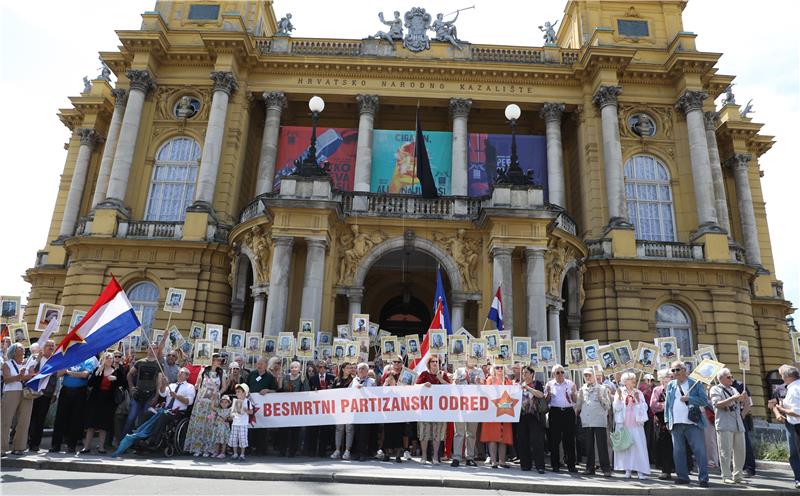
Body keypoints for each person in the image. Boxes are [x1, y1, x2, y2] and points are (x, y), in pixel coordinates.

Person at [665, 360, 710, 487]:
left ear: (684, 370)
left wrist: (689, 399)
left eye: (677, 369)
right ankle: (682, 477)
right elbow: (668, 404)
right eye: (673, 370)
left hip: (692, 423)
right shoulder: (671, 385)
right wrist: (668, 420)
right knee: (678, 452)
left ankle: (703, 478)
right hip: (676, 423)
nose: (675, 372)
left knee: (699, 451)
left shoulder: (695, 383)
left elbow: (704, 401)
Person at [710, 368, 749, 484]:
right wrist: (734, 398)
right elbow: (717, 404)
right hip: (724, 423)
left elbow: (743, 403)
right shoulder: (715, 389)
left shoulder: (734, 389)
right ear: (721, 379)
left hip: (737, 423)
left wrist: (744, 399)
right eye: (728, 377)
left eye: (731, 377)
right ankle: (726, 475)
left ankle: (738, 475)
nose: (731, 379)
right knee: (725, 451)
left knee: (740, 451)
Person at [51, 355, 96, 453]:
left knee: (76, 420)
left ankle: (71, 446)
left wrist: (68, 372)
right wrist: (70, 370)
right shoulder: (69, 358)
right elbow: (58, 373)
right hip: (66, 391)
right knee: (60, 419)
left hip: (80, 392)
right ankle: (55, 445)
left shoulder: (88, 360)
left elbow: (85, 375)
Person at [81, 352, 125, 454]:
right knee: (91, 424)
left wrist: (116, 379)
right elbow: (90, 383)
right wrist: (98, 372)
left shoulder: (116, 371)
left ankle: (101, 447)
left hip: (108, 401)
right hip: (95, 400)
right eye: (107, 358)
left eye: (111, 358)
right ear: (103, 359)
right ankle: (86, 447)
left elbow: (123, 383)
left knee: (103, 425)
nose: (110, 360)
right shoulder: (98, 370)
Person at [184, 354, 225, 457]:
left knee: (211, 425)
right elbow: (198, 384)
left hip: (213, 401)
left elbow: (224, 387)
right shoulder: (203, 370)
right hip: (202, 400)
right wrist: (198, 386)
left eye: (220, 360)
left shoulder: (222, 373)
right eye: (217, 360)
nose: (219, 362)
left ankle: (208, 449)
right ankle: (197, 448)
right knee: (200, 424)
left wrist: (218, 393)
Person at [612, 371, 650, 479]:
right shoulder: (620, 392)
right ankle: (627, 470)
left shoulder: (638, 392)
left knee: (638, 447)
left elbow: (645, 408)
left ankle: (640, 471)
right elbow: (616, 408)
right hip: (624, 424)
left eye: (633, 378)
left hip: (636, 424)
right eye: (630, 379)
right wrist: (619, 398)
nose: (633, 380)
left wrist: (638, 400)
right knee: (626, 447)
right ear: (625, 381)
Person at [147, 367, 195, 448]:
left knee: (163, 415)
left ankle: (152, 440)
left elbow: (189, 402)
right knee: (148, 413)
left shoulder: (190, 387)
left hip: (178, 412)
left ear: (187, 376)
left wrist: (177, 396)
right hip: (166, 410)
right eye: (179, 372)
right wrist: (164, 384)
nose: (179, 373)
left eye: (182, 372)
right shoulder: (171, 385)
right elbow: (162, 393)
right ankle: (142, 436)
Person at [123, 342, 166, 436]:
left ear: (157, 350)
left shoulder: (159, 364)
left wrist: (156, 397)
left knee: (144, 419)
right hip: (137, 394)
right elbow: (129, 375)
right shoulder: (140, 362)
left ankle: (139, 443)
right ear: (147, 349)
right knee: (131, 418)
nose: (152, 350)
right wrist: (131, 387)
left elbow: (159, 382)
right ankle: (124, 442)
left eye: (154, 348)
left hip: (150, 395)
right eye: (150, 348)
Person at [576, 368, 612, 477]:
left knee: (602, 445)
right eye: (585, 375)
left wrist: (601, 398)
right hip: (587, 420)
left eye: (589, 375)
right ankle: (589, 468)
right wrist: (577, 412)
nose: (587, 377)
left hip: (599, 420)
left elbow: (608, 405)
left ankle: (606, 468)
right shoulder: (582, 389)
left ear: (594, 376)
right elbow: (579, 404)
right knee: (589, 445)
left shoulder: (602, 388)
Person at [2, 343, 35, 455]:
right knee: (5, 420)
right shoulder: (7, 364)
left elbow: (31, 375)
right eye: (20, 348)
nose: (23, 349)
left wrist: (25, 375)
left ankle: (19, 447)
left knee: (24, 420)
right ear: (13, 351)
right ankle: (2, 447)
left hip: (26, 393)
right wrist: (19, 376)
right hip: (11, 392)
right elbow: (6, 379)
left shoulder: (28, 363)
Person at [416, 357, 450, 464]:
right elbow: (415, 386)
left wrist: (440, 378)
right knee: (424, 432)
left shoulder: (443, 374)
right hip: (425, 409)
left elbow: (450, 387)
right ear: (429, 363)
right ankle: (424, 456)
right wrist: (423, 385)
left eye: (437, 361)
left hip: (439, 409)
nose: (435, 363)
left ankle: (435, 456)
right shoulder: (424, 374)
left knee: (437, 432)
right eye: (433, 361)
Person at [545, 364, 578, 472]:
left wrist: (573, 392)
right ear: (553, 374)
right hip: (555, 412)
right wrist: (548, 393)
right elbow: (546, 401)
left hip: (568, 412)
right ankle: (555, 465)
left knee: (569, 440)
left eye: (562, 372)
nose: (560, 375)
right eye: (557, 372)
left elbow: (575, 400)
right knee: (554, 440)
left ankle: (571, 465)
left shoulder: (570, 383)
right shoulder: (549, 384)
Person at [772, 365, 800, 488]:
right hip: (790, 423)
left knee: (795, 452)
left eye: (782, 375)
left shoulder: (794, 389)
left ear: (788, 376)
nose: (781, 377)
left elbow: (796, 412)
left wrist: (781, 408)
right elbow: (772, 403)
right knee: (793, 452)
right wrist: (778, 412)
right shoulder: (782, 388)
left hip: (796, 424)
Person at [248, 357, 283, 455]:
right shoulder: (252, 374)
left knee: (262, 429)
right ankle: (249, 448)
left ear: (266, 366)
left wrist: (267, 390)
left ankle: (261, 449)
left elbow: (276, 390)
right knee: (250, 427)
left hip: (263, 408)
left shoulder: (270, 377)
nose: (259, 366)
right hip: (252, 406)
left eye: (261, 364)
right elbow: (246, 387)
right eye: (258, 364)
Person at [481, 364, 513, 469]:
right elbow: (487, 393)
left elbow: (512, 394)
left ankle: (502, 461)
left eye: (501, 367)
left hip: (505, 410)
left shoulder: (508, 381)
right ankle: (494, 461)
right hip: (493, 411)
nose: (499, 369)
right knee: (492, 437)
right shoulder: (490, 379)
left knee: (504, 437)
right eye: (497, 367)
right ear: (493, 369)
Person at [28, 340, 57, 452]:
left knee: (40, 420)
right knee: (30, 417)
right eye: (48, 345)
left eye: (52, 346)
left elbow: (55, 378)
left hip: (46, 393)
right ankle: (25, 440)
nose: (50, 347)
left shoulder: (54, 360)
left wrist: (54, 394)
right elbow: (30, 369)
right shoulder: (37, 358)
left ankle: (35, 444)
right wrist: (38, 359)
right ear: (43, 347)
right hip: (34, 392)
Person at [516, 365, 546, 473]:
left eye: (526, 373)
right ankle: (525, 464)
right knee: (522, 440)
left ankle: (540, 466)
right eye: (523, 373)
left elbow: (541, 395)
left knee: (536, 441)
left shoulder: (537, 384)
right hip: (522, 415)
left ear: (532, 374)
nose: (524, 375)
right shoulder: (518, 385)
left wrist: (528, 388)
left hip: (534, 415)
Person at [452, 365, 483, 467]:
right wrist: (455, 382)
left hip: (474, 406)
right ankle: (456, 457)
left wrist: (479, 382)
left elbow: (484, 387)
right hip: (460, 405)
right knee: (459, 432)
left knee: (471, 433)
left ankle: (470, 457)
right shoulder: (458, 369)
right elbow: (453, 385)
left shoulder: (479, 370)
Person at [650, 369, 675, 480]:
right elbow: (653, 405)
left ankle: (680, 469)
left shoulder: (675, 388)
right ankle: (666, 470)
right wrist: (664, 405)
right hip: (662, 422)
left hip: (675, 419)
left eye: (667, 377)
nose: (665, 380)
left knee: (677, 446)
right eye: (662, 378)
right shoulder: (657, 390)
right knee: (664, 446)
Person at [306, 362, 336, 457]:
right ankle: (312, 450)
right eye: (319, 367)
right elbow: (308, 392)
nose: (322, 369)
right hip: (316, 408)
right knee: (314, 430)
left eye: (324, 367)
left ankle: (322, 452)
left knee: (324, 430)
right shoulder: (313, 378)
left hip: (327, 408)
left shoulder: (332, 377)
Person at [281, 361, 309, 457]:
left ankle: (292, 451)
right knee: (284, 430)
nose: (294, 369)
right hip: (286, 408)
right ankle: (282, 450)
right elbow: (281, 390)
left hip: (297, 409)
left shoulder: (302, 378)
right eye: (292, 367)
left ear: (299, 369)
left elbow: (307, 391)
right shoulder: (286, 377)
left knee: (295, 430)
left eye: (296, 367)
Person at [352, 362, 377, 461]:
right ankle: (357, 452)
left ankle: (364, 453)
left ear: (367, 371)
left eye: (363, 369)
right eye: (359, 369)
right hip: (356, 410)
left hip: (367, 411)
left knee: (364, 432)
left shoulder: (372, 381)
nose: (361, 371)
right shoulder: (354, 380)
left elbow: (375, 394)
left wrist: (364, 390)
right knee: (357, 432)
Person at [331, 362, 355, 460]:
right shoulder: (337, 380)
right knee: (339, 429)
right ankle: (337, 450)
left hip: (350, 408)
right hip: (339, 409)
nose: (350, 369)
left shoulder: (353, 380)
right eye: (348, 368)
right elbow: (332, 392)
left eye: (351, 368)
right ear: (343, 369)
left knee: (349, 429)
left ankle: (347, 450)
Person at [229, 383, 253, 460]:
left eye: (239, 391)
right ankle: (235, 453)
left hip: (243, 424)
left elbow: (251, 412)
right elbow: (232, 412)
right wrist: (232, 415)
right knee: (234, 439)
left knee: (243, 439)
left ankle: (242, 454)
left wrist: (246, 410)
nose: (237, 393)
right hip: (235, 423)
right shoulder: (235, 401)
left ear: (244, 393)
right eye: (236, 392)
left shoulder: (248, 401)